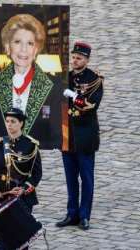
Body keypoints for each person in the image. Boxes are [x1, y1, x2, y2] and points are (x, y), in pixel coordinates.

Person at [0, 14, 63, 149]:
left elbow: (55, 137)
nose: (23, 49)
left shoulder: (53, 85)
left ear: (36, 49)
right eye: (17, 42)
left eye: (30, 43)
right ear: (8, 46)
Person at [56, 42, 104, 231]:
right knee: (70, 177)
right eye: (74, 57)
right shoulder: (64, 77)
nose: (75, 61)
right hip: (67, 135)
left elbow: (90, 104)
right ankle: (71, 213)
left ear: (87, 60)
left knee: (86, 177)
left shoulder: (95, 79)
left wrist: (72, 95)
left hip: (85, 134)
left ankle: (84, 215)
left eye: (79, 58)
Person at [0, 108, 42, 250]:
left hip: (21, 200)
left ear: (21, 123)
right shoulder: (1, 143)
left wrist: (24, 189)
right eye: (7, 121)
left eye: (13, 122)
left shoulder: (30, 145)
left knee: (20, 240)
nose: (9, 125)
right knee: (4, 239)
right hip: (3, 197)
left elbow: (36, 174)